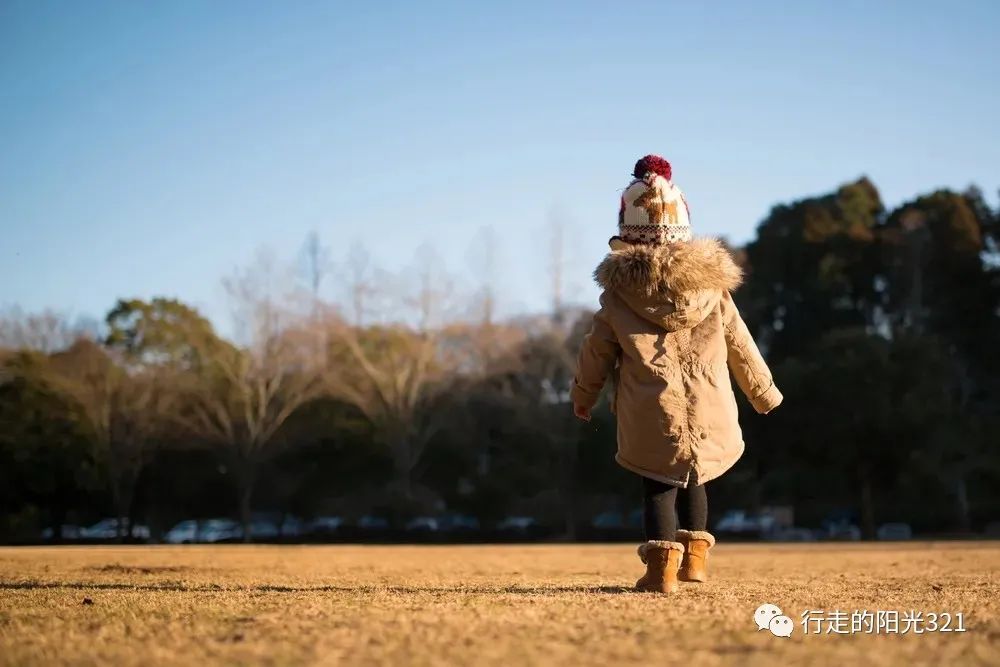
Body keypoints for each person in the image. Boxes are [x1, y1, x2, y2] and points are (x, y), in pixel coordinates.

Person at [571, 154, 782, 594]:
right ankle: (696, 562)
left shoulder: (617, 298)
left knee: (657, 483)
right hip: (710, 400)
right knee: (697, 476)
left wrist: (582, 396)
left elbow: (596, 353)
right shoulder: (713, 290)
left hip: (650, 406)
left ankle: (660, 572)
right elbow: (740, 342)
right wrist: (762, 391)